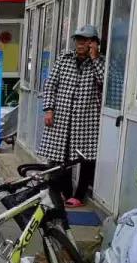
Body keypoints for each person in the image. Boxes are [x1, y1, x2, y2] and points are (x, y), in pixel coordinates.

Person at [39, 24, 105, 206]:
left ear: (94, 43)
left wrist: (95, 58)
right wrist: (49, 109)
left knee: (87, 157)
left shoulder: (100, 62)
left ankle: (80, 195)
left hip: (87, 119)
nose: (80, 44)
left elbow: (104, 82)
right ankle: (65, 192)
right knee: (61, 155)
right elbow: (50, 84)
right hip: (62, 116)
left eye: (85, 40)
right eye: (78, 40)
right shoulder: (64, 58)